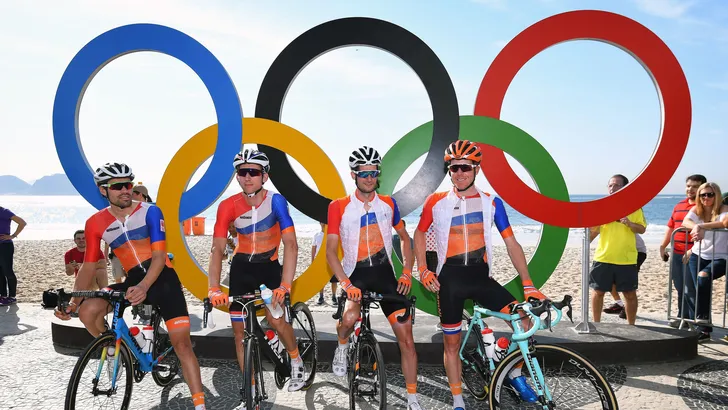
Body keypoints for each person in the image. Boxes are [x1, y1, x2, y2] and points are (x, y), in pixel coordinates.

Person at [54, 162, 208, 410]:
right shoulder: (95, 222)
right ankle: (116, 347)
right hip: (133, 280)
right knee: (88, 311)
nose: (125, 190)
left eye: (128, 184)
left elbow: (159, 256)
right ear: (103, 190)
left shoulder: (151, 212)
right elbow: (89, 266)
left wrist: (145, 286)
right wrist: (73, 303)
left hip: (163, 280)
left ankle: (200, 405)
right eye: (118, 186)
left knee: (182, 345)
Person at [413, 140, 545, 409]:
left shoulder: (491, 203)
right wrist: (423, 269)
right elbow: (419, 232)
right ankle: (457, 400)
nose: (459, 173)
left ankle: (515, 374)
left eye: (465, 167)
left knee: (523, 322)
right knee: (451, 345)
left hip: (481, 278)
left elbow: (511, 242)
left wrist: (528, 284)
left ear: (477, 169)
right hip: (449, 281)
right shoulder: (435, 201)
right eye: (454, 168)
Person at [207, 149, 307, 401]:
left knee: (276, 319)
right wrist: (214, 288)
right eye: (242, 172)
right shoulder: (228, 206)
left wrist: (285, 286)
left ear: (265, 176)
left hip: (269, 268)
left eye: (253, 172)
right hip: (241, 269)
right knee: (239, 334)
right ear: (237, 176)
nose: (248, 177)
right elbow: (217, 249)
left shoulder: (276, 201)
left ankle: (296, 359)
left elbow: (291, 245)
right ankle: (250, 389)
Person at [326, 146, 422, 410]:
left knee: (407, 339)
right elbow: (330, 252)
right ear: (353, 175)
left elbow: (405, 238)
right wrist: (346, 283)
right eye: (363, 173)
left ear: (378, 174)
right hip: (355, 275)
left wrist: (407, 271)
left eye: (373, 173)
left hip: (385, 275)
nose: (369, 178)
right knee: (348, 319)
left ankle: (412, 398)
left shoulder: (389, 204)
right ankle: (342, 345)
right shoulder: (338, 207)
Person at [588, 174, 646, 326]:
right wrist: (586, 238)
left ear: (625, 188)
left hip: (626, 259)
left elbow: (642, 229)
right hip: (603, 257)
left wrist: (629, 223)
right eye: (610, 185)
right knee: (598, 292)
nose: (613, 188)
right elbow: (593, 232)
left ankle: (631, 326)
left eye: (617, 185)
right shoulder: (601, 207)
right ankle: (596, 324)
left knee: (629, 294)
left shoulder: (634, 207)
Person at [655, 174, 706, 328]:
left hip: (695, 254)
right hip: (676, 252)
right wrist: (663, 246)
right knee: (679, 287)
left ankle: (696, 323)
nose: (690, 189)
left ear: (702, 188)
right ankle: (682, 317)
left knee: (691, 289)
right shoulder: (679, 205)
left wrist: (692, 251)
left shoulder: (704, 207)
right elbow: (671, 227)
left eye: (695, 186)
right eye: (688, 186)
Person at [681, 182, 728, 341]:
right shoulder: (697, 209)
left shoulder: (723, 209)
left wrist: (702, 227)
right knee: (697, 290)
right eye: (702, 195)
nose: (706, 198)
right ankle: (704, 329)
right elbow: (685, 222)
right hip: (697, 254)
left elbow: (724, 223)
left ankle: (701, 319)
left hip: (720, 256)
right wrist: (696, 227)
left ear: (717, 195)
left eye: (710, 194)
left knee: (703, 277)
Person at [0, 206, 26, 306]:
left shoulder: (4, 211)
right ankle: (3, 296)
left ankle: (12, 297)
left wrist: (13, 236)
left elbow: (22, 223)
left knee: (7, 271)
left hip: (5, 245)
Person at [313, 223, 337, 305]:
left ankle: (334, 297)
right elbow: (314, 248)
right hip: (320, 261)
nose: (323, 224)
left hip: (331, 260)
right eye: (322, 222)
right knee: (321, 280)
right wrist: (313, 260)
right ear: (319, 223)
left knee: (334, 280)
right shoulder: (317, 235)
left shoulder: (332, 235)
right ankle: (321, 296)